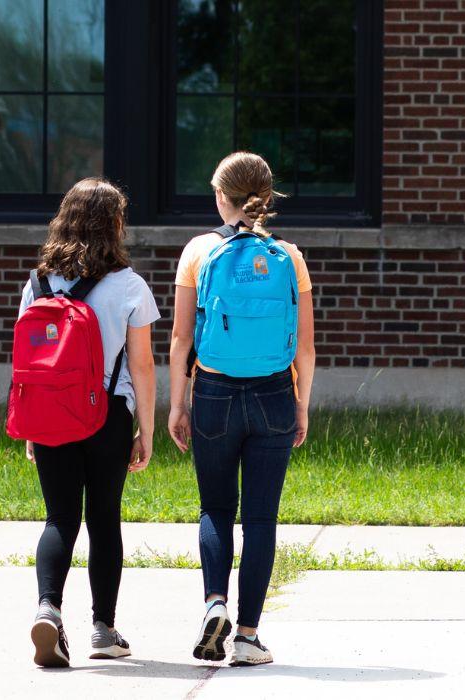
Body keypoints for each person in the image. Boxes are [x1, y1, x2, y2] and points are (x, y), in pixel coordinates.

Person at [165, 151, 316, 668]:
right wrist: (302, 404)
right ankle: (248, 637)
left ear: (220, 197)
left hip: (213, 391)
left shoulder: (198, 251)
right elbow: (307, 349)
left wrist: (176, 403)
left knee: (215, 509)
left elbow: (182, 337)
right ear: (267, 198)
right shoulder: (289, 256)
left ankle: (214, 603)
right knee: (261, 519)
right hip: (274, 392)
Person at [17, 179, 159, 668]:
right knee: (103, 520)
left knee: (59, 518)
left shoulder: (37, 283)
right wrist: (147, 429)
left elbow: (25, 363)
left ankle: (48, 610)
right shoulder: (129, 285)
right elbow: (141, 366)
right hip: (107, 417)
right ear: (114, 225)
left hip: (50, 415)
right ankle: (103, 629)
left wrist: (29, 423)